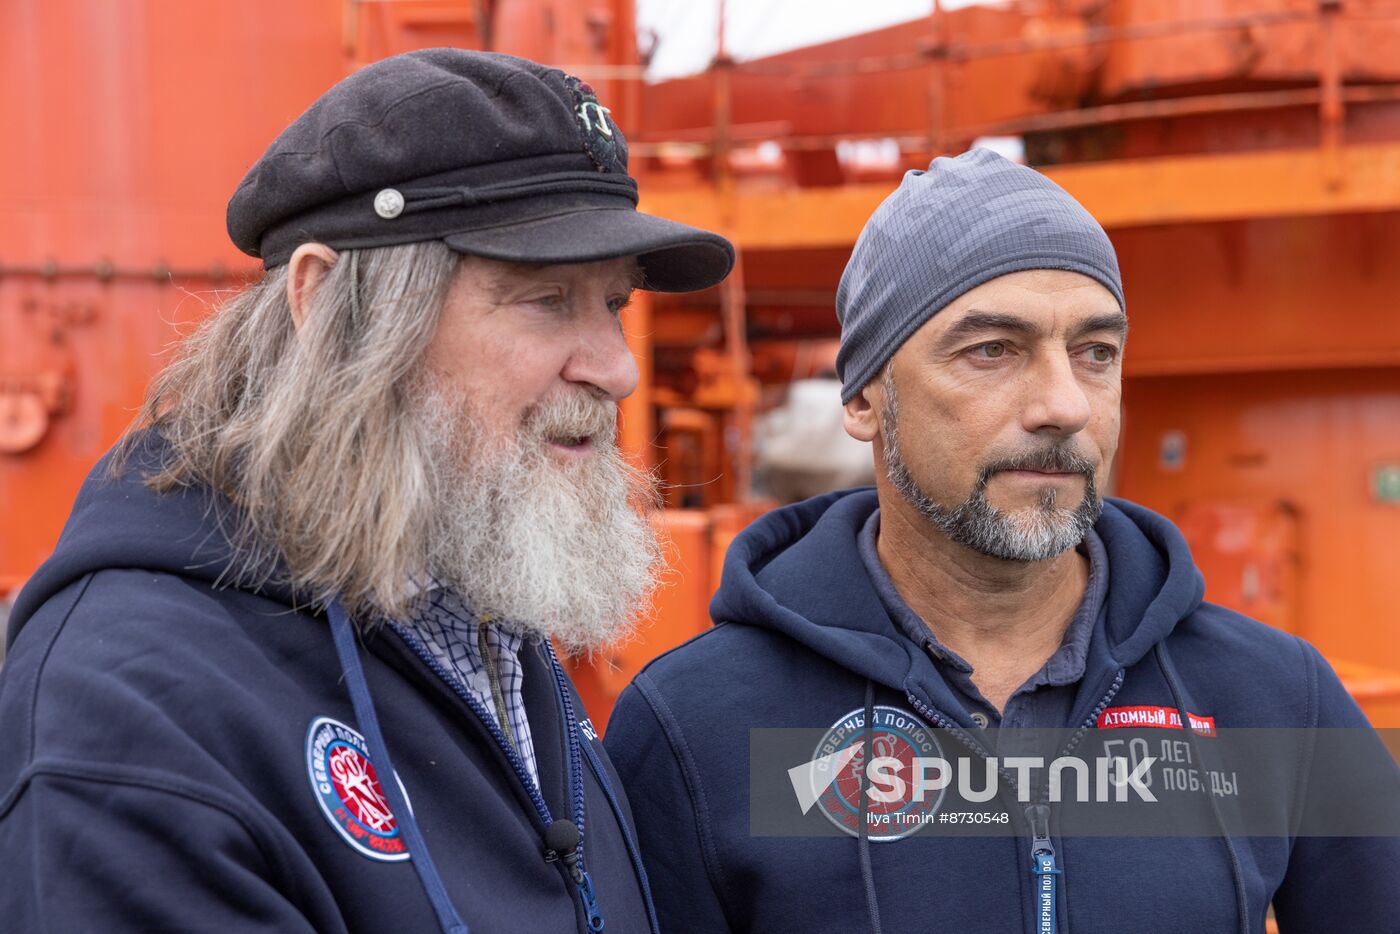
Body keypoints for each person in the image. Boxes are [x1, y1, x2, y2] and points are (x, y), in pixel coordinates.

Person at [0, 49, 732, 933]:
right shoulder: (133, 716)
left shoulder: (481, 609)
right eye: (545, 299)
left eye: (612, 303)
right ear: (327, 306)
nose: (616, 367)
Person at [604, 149, 1400, 933]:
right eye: (992, 350)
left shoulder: (1272, 698)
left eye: (1096, 353)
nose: (1064, 405)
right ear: (864, 400)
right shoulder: (697, 724)